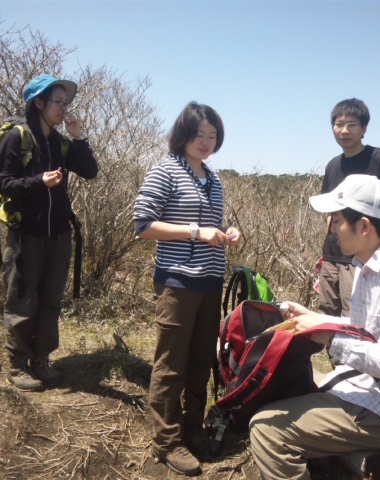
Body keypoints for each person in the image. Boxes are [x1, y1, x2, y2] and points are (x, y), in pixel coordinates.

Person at [249, 175, 380, 480]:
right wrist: (317, 318)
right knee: (277, 393)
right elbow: (366, 330)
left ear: (364, 226)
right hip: (369, 392)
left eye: (337, 220)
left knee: (267, 429)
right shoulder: (370, 266)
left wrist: (329, 337)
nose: (331, 229)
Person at [133, 102, 241, 476]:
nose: (206, 142)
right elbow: (143, 224)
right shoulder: (166, 171)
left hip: (210, 282)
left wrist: (226, 233)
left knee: (200, 362)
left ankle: (193, 430)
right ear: (184, 134)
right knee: (171, 364)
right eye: (200, 134)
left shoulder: (214, 179)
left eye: (212, 136)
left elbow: (213, 225)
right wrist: (195, 232)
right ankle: (166, 442)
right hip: (178, 282)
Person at [0, 74, 98, 392]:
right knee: (23, 299)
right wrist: (39, 180)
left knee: (51, 298)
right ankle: (18, 364)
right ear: (38, 103)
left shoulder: (59, 141)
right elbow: (2, 182)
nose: (64, 108)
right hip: (26, 233)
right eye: (58, 102)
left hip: (59, 234)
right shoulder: (17, 137)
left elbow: (90, 172)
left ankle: (41, 359)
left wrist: (78, 137)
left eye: (67, 102)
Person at [318, 98, 380, 318]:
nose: (344, 130)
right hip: (332, 255)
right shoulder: (333, 165)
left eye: (351, 125)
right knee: (326, 316)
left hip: (364, 256)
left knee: (356, 317)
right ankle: (333, 354)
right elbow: (332, 213)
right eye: (338, 124)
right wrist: (327, 248)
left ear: (364, 128)